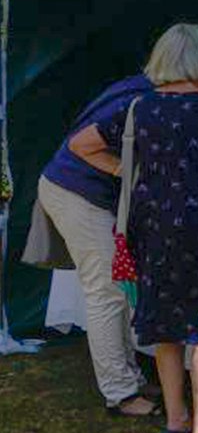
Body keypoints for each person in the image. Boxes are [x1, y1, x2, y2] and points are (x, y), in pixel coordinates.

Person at [73, 25, 198, 433]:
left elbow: (81, 145)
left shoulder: (140, 108)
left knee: (166, 325)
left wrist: (130, 174)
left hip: (151, 227)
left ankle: (176, 421)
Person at [37, 68, 157, 415]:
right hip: (77, 194)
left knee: (114, 291)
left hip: (76, 191)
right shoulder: (140, 98)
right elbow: (81, 144)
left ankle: (129, 379)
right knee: (106, 292)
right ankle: (120, 393)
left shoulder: (136, 87)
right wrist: (128, 170)